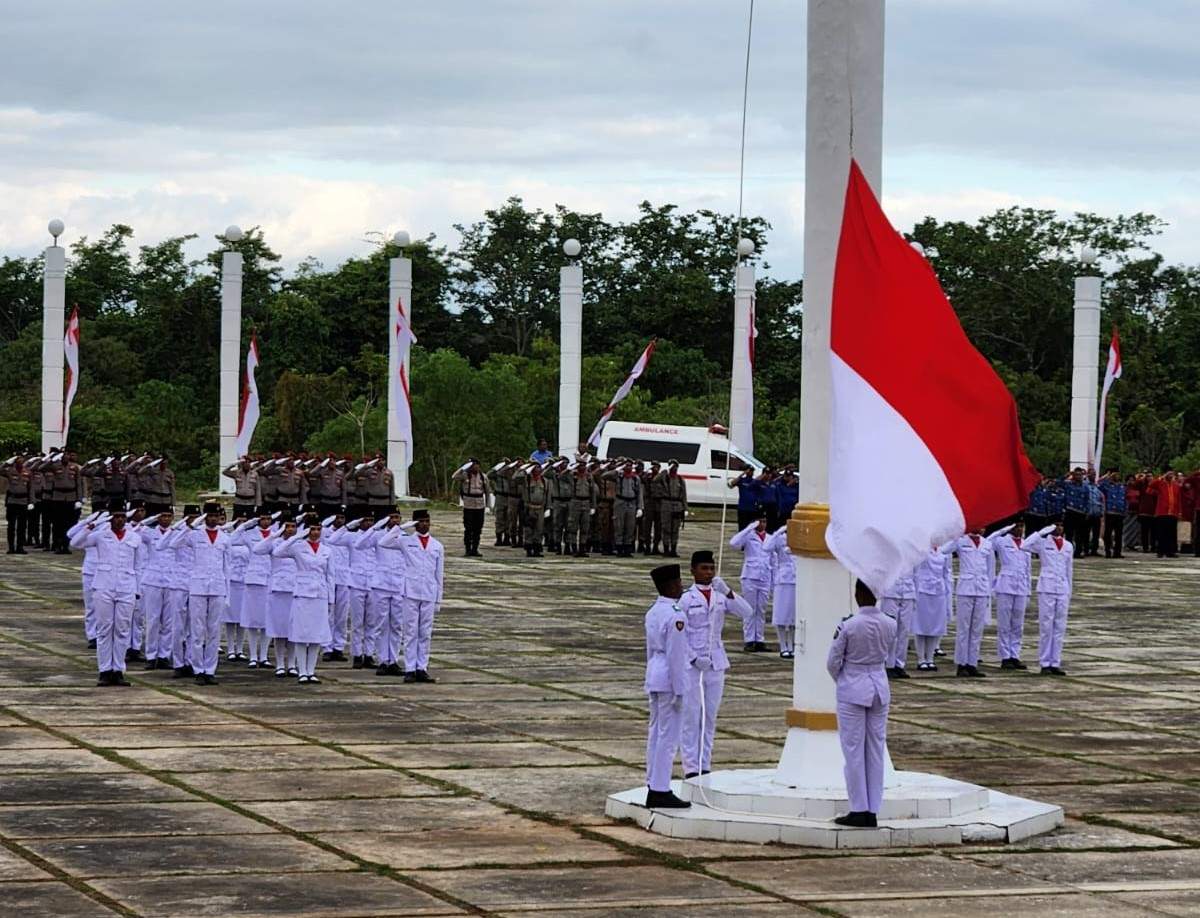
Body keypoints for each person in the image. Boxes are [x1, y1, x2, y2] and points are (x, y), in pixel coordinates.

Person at [827, 579, 896, 829]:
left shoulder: (849, 625)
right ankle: (873, 808)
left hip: (853, 687)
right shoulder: (890, 622)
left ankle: (859, 808)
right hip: (879, 685)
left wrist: (844, 681)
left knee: (854, 750)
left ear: (857, 594)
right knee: (875, 749)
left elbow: (833, 662)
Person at [679, 549, 752, 778]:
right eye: (704, 568)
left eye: (711, 568)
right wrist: (692, 656)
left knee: (709, 718)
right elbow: (679, 633)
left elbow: (747, 612)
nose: (708, 573)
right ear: (693, 571)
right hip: (692, 665)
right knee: (692, 716)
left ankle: (705, 765)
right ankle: (691, 767)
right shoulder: (686, 598)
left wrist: (728, 591)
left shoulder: (720, 595)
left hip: (716, 662)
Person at [70, 500, 143, 687]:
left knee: (122, 629)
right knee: (104, 629)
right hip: (103, 586)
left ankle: (118, 669)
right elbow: (75, 542)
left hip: (126, 586)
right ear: (110, 519)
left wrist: (137, 590)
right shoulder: (101, 535)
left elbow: (138, 565)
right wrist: (92, 525)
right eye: (116, 517)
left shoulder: (134, 537)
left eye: (122, 517)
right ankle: (104, 670)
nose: (119, 520)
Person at [643, 563, 690, 809]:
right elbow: (676, 656)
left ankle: (652, 781)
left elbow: (650, 651)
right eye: (679, 582)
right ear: (671, 585)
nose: (682, 586)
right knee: (668, 737)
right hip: (669, 679)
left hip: (654, 674)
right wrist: (680, 690)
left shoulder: (653, 611)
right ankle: (660, 788)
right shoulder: (676, 615)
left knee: (656, 732)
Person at [167, 501, 230, 685]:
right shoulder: (195, 535)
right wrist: (191, 526)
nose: (213, 519)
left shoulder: (225, 538)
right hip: (198, 587)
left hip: (217, 587)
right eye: (209, 516)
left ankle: (210, 669)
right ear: (205, 517)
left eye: (215, 516)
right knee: (197, 630)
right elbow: (173, 544)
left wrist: (228, 594)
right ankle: (198, 669)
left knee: (214, 631)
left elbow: (228, 567)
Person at [379, 509, 444, 683]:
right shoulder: (406, 541)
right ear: (415, 524)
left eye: (427, 521)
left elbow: (439, 575)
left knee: (425, 632)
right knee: (410, 632)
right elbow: (383, 542)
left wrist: (439, 598)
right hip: (411, 592)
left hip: (429, 592)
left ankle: (421, 667)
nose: (424, 524)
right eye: (420, 521)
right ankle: (409, 668)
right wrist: (401, 527)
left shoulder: (437, 545)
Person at [277, 515, 336, 684]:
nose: (315, 532)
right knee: (302, 634)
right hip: (303, 593)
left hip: (320, 594)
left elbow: (330, 576)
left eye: (318, 529)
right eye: (312, 529)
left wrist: (331, 599)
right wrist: (296, 536)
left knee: (317, 634)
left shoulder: (327, 550)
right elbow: (278, 552)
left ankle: (311, 671)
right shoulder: (297, 547)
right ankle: (302, 670)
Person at [325, 512, 381, 669]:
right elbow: (332, 540)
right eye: (365, 520)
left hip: (373, 583)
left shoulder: (377, 537)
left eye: (371, 520)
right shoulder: (351, 536)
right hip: (356, 583)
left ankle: (369, 654)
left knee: (371, 622)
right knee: (357, 622)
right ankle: (357, 654)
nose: (368, 523)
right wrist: (349, 526)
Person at [1021, 522, 1074, 675]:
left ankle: (1055, 662)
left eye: (1061, 525)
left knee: (1059, 627)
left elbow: (1069, 569)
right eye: (1056, 525)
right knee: (1046, 626)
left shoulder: (1068, 545)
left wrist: (1069, 591)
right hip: (1047, 588)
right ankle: (1045, 663)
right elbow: (1025, 545)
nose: (1059, 528)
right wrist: (1041, 532)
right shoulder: (1043, 543)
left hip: (1062, 588)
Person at [360, 507, 408, 676]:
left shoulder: (405, 537)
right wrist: (375, 527)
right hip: (381, 585)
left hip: (399, 586)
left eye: (397, 517)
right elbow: (360, 544)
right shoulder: (378, 536)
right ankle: (382, 660)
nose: (395, 520)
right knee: (381, 624)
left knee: (396, 625)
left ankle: (393, 660)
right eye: (392, 517)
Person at [942, 529, 996, 677]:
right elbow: (944, 550)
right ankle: (961, 663)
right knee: (963, 629)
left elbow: (990, 569)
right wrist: (957, 535)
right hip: (965, 589)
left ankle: (972, 663)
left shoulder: (987, 544)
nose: (981, 528)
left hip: (981, 589)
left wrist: (989, 591)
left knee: (976, 629)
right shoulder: (961, 541)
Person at [234, 508, 276, 668]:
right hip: (253, 579)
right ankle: (252, 656)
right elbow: (233, 538)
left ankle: (264, 656)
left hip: (269, 579)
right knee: (252, 620)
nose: (265, 522)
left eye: (268, 518)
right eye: (262, 518)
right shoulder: (249, 535)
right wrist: (245, 525)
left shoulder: (275, 534)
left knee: (267, 620)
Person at [139, 508, 179, 670]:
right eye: (163, 515)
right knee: (153, 620)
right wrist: (151, 518)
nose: (166, 519)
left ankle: (164, 655)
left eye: (169, 516)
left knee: (169, 621)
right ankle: (151, 655)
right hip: (153, 580)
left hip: (171, 580)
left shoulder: (177, 533)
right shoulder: (149, 533)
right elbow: (134, 529)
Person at [728, 513, 772, 652]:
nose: (762, 524)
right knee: (749, 609)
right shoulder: (748, 536)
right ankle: (749, 640)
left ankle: (759, 640)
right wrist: (749, 528)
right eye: (759, 521)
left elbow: (774, 561)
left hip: (765, 577)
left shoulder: (770, 539)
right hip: (750, 577)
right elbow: (733, 543)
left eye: (764, 521)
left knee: (761, 610)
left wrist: (774, 581)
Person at [990, 522, 1031, 670]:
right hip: (1005, 586)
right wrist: (1003, 529)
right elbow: (988, 541)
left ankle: (1015, 654)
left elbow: (1028, 569)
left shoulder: (1026, 544)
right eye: (1017, 527)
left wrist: (1028, 591)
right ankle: (1005, 656)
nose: (1020, 529)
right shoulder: (1002, 541)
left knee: (1018, 624)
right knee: (1004, 624)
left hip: (1021, 587)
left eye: (1022, 526)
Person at [913, 548, 950, 671]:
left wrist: (947, 592)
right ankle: (920, 659)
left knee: (935, 626)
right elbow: (916, 572)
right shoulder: (922, 550)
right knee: (921, 626)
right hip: (923, 590)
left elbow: (946, 574)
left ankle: (930, 658)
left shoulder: (943, 553)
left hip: (939, 591)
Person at [321, 511, 352, 660]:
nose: (339, 520)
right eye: (337, 517)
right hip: (329, 578)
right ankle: (327, 647)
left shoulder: (348, 535)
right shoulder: (324, 532)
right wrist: (330, 518)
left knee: (342, 615)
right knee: (329, 614)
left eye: (342, 518)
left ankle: (338, 646)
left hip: (344, 578)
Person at [763, 525, 795, 658]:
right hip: (782, 580)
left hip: (797, 579)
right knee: (781, 614)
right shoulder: (780, 538)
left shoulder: (800, 537)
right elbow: (766, 547)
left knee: (794, 616)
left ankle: (792, 646)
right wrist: (778, 531)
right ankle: (783, 646)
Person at [880, 568, 916, 679]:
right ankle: (889, 664)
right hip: (891, 591)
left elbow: (917, 573)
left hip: (908, 591)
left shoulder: (912, 551)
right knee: (890, 629)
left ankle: (899, 665)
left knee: (904, 631)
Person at [452, 459, 490, 557]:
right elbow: (454, 477)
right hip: (469, 504)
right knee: (468, 528)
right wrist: (463, 468)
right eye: (473, 465)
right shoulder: (465, 475)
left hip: (480, 505)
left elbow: (487, 492)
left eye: (477, 465)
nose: (476, 467)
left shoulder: (483, 476)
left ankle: (475, 549)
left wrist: (488, 506)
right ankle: (468, 549)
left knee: (478, 528)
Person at [607, 459, 644, 558]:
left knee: (630, 527)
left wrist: (640, 507)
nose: (628, 467)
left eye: (630, 466)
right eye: (626, 465)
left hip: (631, 503)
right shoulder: (618, 476)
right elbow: (605, 475)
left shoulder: (635, 478)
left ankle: (627, 549)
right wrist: (617, 470)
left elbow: (639, 493)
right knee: (619, 526)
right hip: (620, 503)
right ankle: (619, 549)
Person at [1145, 470, 1182, 558]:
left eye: (1172, 474)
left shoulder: (1176, 485)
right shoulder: (1160, 483)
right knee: (1161, 533)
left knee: (1172, 533)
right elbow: (1151, 485)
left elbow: (1179, 499)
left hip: (1173, 512)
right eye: (1169, 474)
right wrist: (1161, 477)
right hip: (1162, 512)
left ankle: (1171, 551)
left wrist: (1180, 511)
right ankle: (1160, 551)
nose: (1170, 476)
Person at [565, 462, 598, 558]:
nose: (582, 467)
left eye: (584, 465)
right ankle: (574, 548)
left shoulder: (589, 476)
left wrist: (593, 506)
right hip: (575, 502)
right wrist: (570, 468)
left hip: (586, 502)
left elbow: (593, 493)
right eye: (580, 466)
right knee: (573, 527)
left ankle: (582, 548)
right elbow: (561, 476)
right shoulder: (572, 476)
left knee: (585, 527)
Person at [2, 455, 34, 554]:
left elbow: (31, 488)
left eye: (22, 460)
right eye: (18, 460)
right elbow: (0, 470)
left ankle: (20, 547)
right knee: (11, 526)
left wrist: (31, 501)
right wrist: (7, 462)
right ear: (15, 462)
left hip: (23, 501)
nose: (21, 461)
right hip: (12, 501)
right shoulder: (10, 471)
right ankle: (11, 547)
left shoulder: (27, 472)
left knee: (22, 526)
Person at [518, 464, 551, 557]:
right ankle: (529, 549)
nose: (538, 469)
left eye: (539, 468)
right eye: (536, 468)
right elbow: (516, 478)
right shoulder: (527, 480)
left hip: (540, 508)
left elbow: (547, 495)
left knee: (539, 530)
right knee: (529, 530)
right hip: (530, 508)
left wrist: (548, 508)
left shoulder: (545, 481)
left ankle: (537, 550)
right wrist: (525, 468)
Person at [657, 461, 688, 559]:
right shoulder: (664, 477)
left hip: (677, 505)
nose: (674, 469)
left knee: (675, 529)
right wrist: (664, 471)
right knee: (666, 528)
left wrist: (685, 508)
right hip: (666, 504)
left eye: (675, 467)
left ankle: (673, 550)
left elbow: (684, 494)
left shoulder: (680, 479)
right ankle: (666, 549)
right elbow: (655, 480)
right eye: (672, 466)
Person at [1060, 468, 1089, 557]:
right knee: (1069, 533)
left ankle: (1078, 552)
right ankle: (1069, 552)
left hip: (1081, 512)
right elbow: (1058, 483)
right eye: (1076, 474)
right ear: (1073, 475)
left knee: (1079, 534)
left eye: (1080, 475)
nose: (1078, 476)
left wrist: (1086, 511)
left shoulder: (1085, 487)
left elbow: (1087, 500)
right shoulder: (1068, 485)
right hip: (1070, 511)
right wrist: (1067, 474)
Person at [1098, 469, 1127, 559]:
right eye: (1114, 475)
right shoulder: (1107, 486)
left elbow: (1125, 499)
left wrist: (1125, 509)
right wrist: (1107, 477)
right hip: (1110, 512)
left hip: (1120, 512)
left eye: (1118, 475)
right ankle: (1108, 551)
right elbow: (1099, 485)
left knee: (1119, 534)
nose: (1117, 476)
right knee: (1108, 533)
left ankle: (1117, 552)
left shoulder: (1122, 486)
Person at [728, 468, 764, 532]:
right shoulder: (742, 480)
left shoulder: (755, 481)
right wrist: (743, 474)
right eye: (750, 471)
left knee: (751, 528)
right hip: (742, 508)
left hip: (753, 508)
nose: (751, 472)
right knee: (742, 527)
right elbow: (731, 484)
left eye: (752, 471)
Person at [1084, 472, 1104, 557]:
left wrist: (1101, 511)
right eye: (1091, 474)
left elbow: (1101, 499)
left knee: (1096, 533)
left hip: (1096, 512)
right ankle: (1085, 549)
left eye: (1094, 475)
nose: (1093, 476)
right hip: (1088, 512)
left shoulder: (1097, 487)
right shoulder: (1084, 485)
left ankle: (1094, 550)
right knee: (1086, 533)